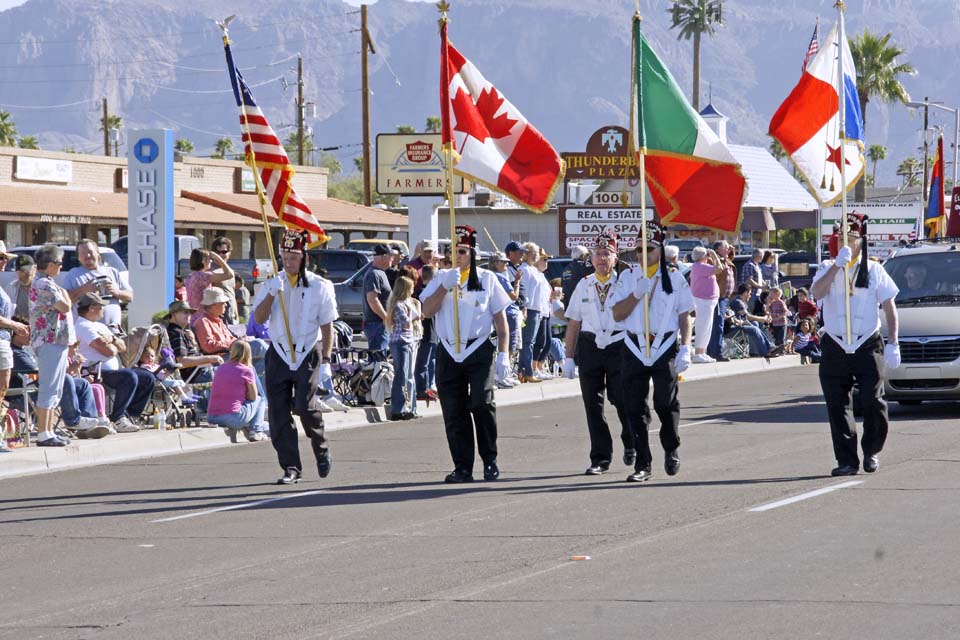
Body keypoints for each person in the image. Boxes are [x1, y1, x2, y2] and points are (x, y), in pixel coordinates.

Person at [810, 212, 900, 476]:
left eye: (850, 236)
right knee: (837, 406)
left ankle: (871, 450)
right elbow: (816, 294)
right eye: (840, 236)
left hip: (866, 343)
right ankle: (847, 461)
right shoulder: (828, 267)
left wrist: (893, 342)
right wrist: (838, 265)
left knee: (873, 401)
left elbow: (889, 307)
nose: (844, 241)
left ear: (861, 240)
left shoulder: (874, 269)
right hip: (836, 344)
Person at [420, 225, 511, 484]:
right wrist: (443, 287)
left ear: (472, 252)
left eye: (462, 251)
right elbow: (426, 311)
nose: (457, 256)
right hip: (449, 350)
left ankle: (490, 460)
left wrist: (504, 354)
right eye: (453, 251)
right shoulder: (442, 278)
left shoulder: (488, 279)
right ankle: (462, 467)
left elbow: (501, 321)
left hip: (478, 348)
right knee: (453, 411)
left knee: (482, 403)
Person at [253, 229, 338, 485]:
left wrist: (326, 359)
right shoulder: (272, 283)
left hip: (307, 352)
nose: (289, 262)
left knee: (304, 406)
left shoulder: (319, 286)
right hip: (279, 351)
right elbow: (258, 319)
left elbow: (327, 324)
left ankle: (321, 447)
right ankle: (291, 467)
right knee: (278, 414)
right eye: (285, 257)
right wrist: (270, 293)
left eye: (294, 257)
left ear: (304, 258)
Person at [611, 222, 694, 483]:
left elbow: (685, 315)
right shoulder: (627, 277)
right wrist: (637, 293)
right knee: (633, 407)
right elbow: (617, 313)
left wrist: (686, 348)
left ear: (660, 249)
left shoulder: (675, 277)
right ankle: (643, 463)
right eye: (638, 249)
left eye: (648, 248)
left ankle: (671, 447)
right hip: (634, 346)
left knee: (664, 403)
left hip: (664, 346)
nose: (642, 254)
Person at [562, 230, 636, 475]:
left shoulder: (626, 283)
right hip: (590, 346)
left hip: (618, 346)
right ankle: (600, 458)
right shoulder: (583, 285)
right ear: (591, 258)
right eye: (598, 254)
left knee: (621, 399)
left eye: (607, 254)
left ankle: (630, 439)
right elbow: (573, 322)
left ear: (615, 258)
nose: (602, 259)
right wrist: (569, 357)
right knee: (593, 406)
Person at [10, 321, 110, 439]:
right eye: (28, 331)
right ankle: (73, 421)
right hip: (24, 396)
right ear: (17, 333)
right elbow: (39, 374)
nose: (32, 334)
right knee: (65, 379)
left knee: (82, 384)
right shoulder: (15, 353)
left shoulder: (25, 350)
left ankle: (88, 427)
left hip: (39, 389)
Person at [75, 292, 154, 433]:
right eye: (101, 306)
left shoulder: (100, 326)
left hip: (112, 370)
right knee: (129, 377)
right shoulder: (84, 326)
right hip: (94, 371)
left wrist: (111, 340)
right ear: (92, 308)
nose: (103, 310)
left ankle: (131, 415)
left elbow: (123, 347)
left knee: (147, 378)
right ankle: (118, 417)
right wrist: (113, 344)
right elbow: (108, 352)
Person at [30, 244, 78, 446]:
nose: (61, 267)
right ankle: (43, 433)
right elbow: (66, 306)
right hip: (49, 340)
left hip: (55, 340)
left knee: (55, 388)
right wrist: (65, 293)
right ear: (49, 264)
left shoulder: (48, 283)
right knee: (49, 387)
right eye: (59, 263)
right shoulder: (45, 285)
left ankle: (48, 430)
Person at [65, 238, 133, 329]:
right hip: (89, 332)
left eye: (90, 252)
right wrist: (84, 289)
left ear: (97, 253)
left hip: (114, 329)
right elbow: (65, 301)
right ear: (78, 257)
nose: (87, 255)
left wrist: (117, 292)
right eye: (83, 253)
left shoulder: (112, 272)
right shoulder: (73, 274)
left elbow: (130, 297)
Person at [207, 340, 267, 443]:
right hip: (233, 417)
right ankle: (256, 431)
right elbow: (253, 397)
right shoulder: (247, 370)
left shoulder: (220, 368)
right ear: (249, 353)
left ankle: (254, 426)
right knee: (260, 399)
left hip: (212, 416)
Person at [386, 275, 420, 420]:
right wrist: (415, 312)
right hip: (400, 341)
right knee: (401, 375)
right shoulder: (399, 305)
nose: (413, 291)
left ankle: (406, 407)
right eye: (411, 288)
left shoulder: (406, 303)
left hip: (407, 340)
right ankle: (397, 409)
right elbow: (406, 323)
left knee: (406, 375)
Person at [165, 300, 222, 384]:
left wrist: (193, 341)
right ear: (173, 315)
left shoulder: (179, 332)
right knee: (235, 374)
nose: (189, 315)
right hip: (196, 375)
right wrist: (212, 358)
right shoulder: (176, 333)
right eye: (185, 312)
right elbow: (182, 361)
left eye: (190, 313)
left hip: (199, 371)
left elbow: (192, 354)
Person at [487, 253, 520, 388]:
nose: (506, 264)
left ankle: (500, 375)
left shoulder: (488, 276)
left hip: (494, 313)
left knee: (501, 344)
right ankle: (501, 375)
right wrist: (517, 282)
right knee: (509, 344)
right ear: (495, 263)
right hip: (507, 313)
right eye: (503, 262)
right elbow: (513, 296)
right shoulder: (500, 277)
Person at [689, 245, 724, 364]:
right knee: (703, 327)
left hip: (707, 301)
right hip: (703, 300)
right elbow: (720, 268)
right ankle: (698, 353)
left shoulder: (700, 266)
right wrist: (714, 255)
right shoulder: (700, 266)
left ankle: (702, 352)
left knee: (707, 327)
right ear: (703, 256)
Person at [727, 284, 783, 359]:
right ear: (746, 293)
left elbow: (747, 318)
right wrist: (763, 319)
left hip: (741, 324)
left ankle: (759, 349)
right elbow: (748, 317)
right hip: (735, 327)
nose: (750, 296)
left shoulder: (742, 302)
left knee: (756, 323)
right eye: (749, 294)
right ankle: (766, 351)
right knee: (755, 328)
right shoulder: (738, 302)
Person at [518, 242, 547, 383]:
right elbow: (525, 292)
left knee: (530, 342)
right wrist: (524, 308)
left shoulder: (534, 270)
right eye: (532, 253)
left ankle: (523, 372)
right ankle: (527, 372)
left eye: (537, 253)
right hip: (530, 309)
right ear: (525, 255)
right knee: (527, 342)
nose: (536, 256)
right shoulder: (524, 270)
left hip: (537, 309)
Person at [184, 248, 234, 327]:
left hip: (194, 318)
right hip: (203, 319)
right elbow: (230, 274)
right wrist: (218, 258)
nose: (211, 261)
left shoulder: (190, 276)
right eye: (209, 259)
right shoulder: (203, 276)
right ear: (203, 261)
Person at [706, 241, 736, 361]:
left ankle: (711, 351)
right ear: (718, 249)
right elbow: (717, 269)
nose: (728, 249)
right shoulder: (713, 260)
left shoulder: (726, 260)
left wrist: (730, 251)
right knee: (718, 325)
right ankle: (716, 352)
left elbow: (729, 259)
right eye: (726, 247)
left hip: (724, 297)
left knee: (717, 324)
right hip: (718, 297)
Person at [362, 244, 393, 353]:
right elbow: (372, 300)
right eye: (391, 256)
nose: (392, 259)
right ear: (384, 256)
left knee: (380, 361)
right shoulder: (374, 274)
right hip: (377, 324)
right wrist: (386, 318)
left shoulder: (380, 273)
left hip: (380, 324)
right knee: (378, 363)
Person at [414, 265, 439, 400]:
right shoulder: (423, 293)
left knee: (430, 362)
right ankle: (422, 389)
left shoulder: (424, 292)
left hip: (432, 332)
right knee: (423, 362)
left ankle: (429, 387)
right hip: (426, 332)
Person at [209, 236, 239, 325]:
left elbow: (232, 293)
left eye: (224, 252)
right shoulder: (210, 270)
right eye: (218, 253)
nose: (221, 255)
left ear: (229, 252)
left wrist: (236, 312)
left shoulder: (229, 270)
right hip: (219, 313)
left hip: (231, 313)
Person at [561, 246, 594, 310]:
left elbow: (563, 287)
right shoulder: (584, 268)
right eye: (587, 255)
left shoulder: (566, 269)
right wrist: (593, 255)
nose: (588, 257)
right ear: (582, 256)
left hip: (569, 306)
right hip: (582, 307)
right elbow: (597, 271)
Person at [6, 253, 36, 320]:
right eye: (21, 271)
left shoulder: (42, 288)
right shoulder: (11, 287)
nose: (24, 274)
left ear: (34, 269)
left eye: (27, 271)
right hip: (17, 327)